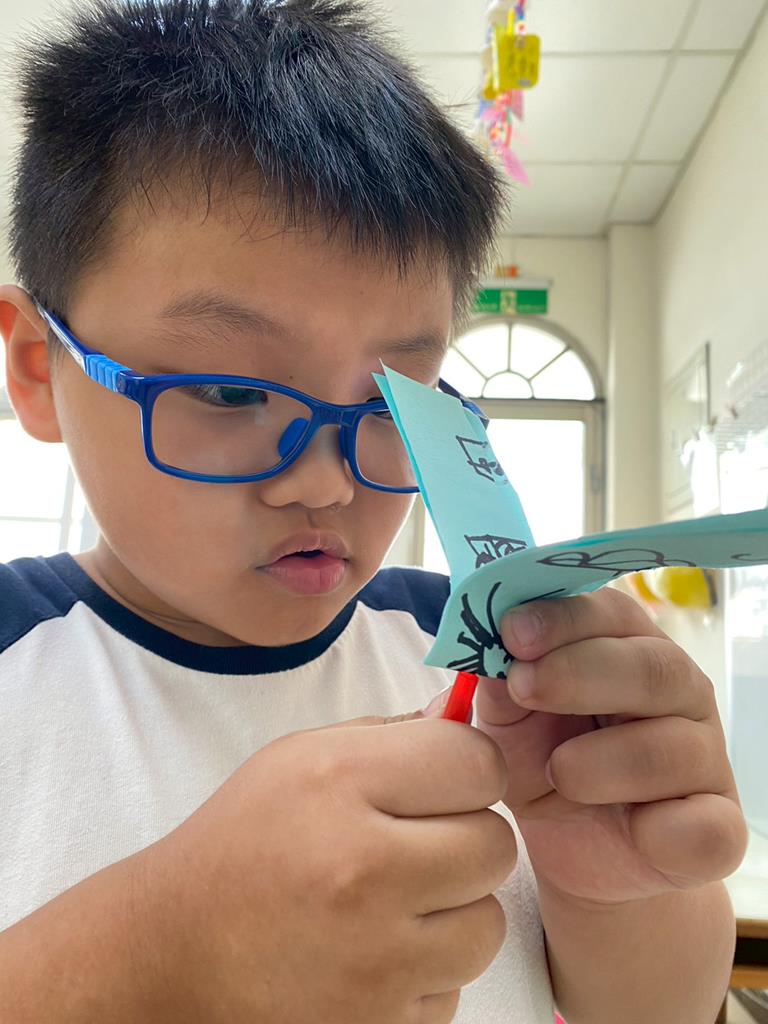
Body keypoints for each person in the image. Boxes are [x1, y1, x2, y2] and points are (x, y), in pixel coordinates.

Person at [0, 2, 746, 1021]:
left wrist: (619, 891)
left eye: (394, 405)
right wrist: (155, 956)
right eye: (230, 392)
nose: (324, 485)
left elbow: (659, 1009)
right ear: (38, 368)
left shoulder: (498, 669)